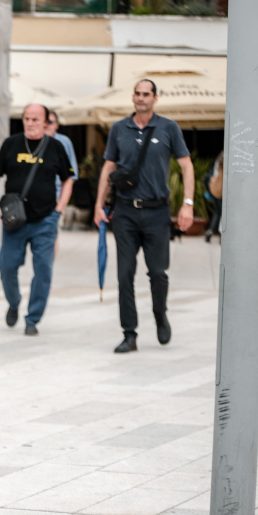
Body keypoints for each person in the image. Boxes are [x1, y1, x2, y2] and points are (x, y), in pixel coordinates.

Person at [94, 79, 194, 354]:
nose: (141, 98)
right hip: (125, 212)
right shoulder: (119, 129)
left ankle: (160, 315)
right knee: (125, 274)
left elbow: (186, 166)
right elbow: (108, 168)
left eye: (146, 94)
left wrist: (187, 204)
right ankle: (129, 334)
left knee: (158, 273)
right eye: (137, 94)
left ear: (155, 98)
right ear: (133, 97)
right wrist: (99, 205)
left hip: (157, 212)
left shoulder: (168, 128)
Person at [0, 103, 74, 336]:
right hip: (14, 220)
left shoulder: (55, 147)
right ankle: (14, 302)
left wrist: (59, 210)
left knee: (43, 270)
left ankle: (33, 318)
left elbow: (68, 180)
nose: (30, 123)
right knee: (6, 267)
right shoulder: (11, 144)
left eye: (35, 119)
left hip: (45, 220)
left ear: (46, 122)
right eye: (26, 118)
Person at [45, 109, 78, 248]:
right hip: (35, 198)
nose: (47, 125)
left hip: (56, 196)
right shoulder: (33, 141)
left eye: (50, 122)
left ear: (57, 125)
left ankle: (49, 261)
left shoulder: (63, 142)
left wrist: (61, 205)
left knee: (52, 235)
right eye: (45, 121)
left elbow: (72, 175)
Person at [205, 152, 223, 243]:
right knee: (223, 213)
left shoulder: (218, 158)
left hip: (215, 187)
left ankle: (210, 231)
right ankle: (221, 234)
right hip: (222, 189)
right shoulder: (225, 157)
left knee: (217, 212)